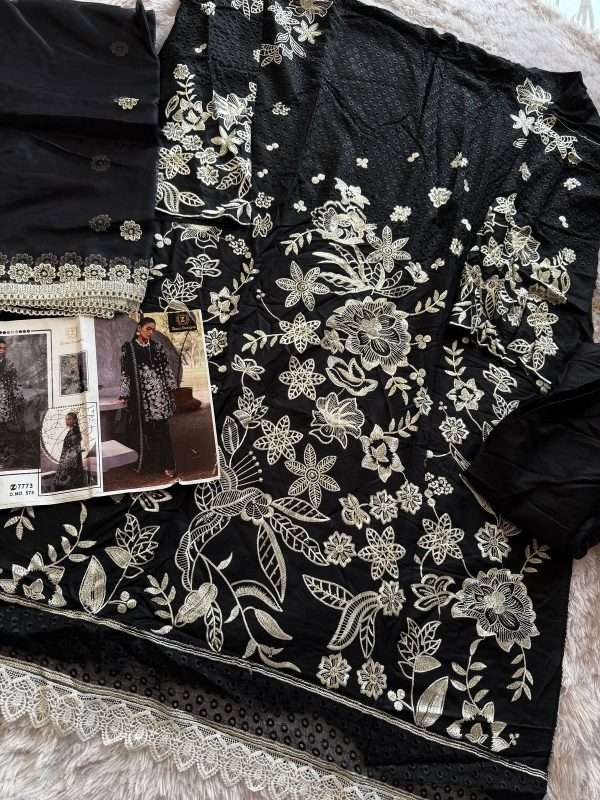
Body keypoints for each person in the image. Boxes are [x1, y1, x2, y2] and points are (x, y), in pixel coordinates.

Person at [119, 317, 177, 477]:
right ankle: (153, 465)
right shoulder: (129, 348)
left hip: (160, 397)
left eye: (153, 330)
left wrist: (172, 389)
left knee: (163, 430)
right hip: (141, 398)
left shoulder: (157, 347)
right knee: (148, 432)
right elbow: (125, 372)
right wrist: (124, 393)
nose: (151, 333)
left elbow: (166, 369)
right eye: (148, 329)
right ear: (139, 328)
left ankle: (168, 464)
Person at [54, 412, 86, 490]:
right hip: (67, 460)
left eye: (69, 419)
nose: (67, 421)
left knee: (68, 484)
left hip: (71, 462)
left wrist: (66, 464)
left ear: (75, 420)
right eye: (66, 419)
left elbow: (75, 449)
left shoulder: (75, 431)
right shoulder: (71, 431)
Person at [0, 338, 24, 437]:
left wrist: (19, 395)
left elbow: (15, 381)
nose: (2, 351)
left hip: (5, 398)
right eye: (0, 348)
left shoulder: (9, 364)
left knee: (5, 424)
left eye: (4, 348)